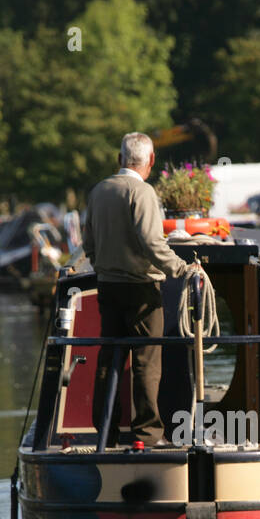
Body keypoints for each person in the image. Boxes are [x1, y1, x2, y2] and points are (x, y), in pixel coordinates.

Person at [82, 132, 197, 447]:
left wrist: (101, 265)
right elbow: (151, 242)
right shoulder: (142, 192)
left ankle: (105, 432)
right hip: (141, 288)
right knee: (146, 361)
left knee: (110, 359)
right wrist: (181, 269)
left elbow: (88, 243)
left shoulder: (99, 191)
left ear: (120, 159)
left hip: (107, 287)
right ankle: (147, 435)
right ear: (151, 162)